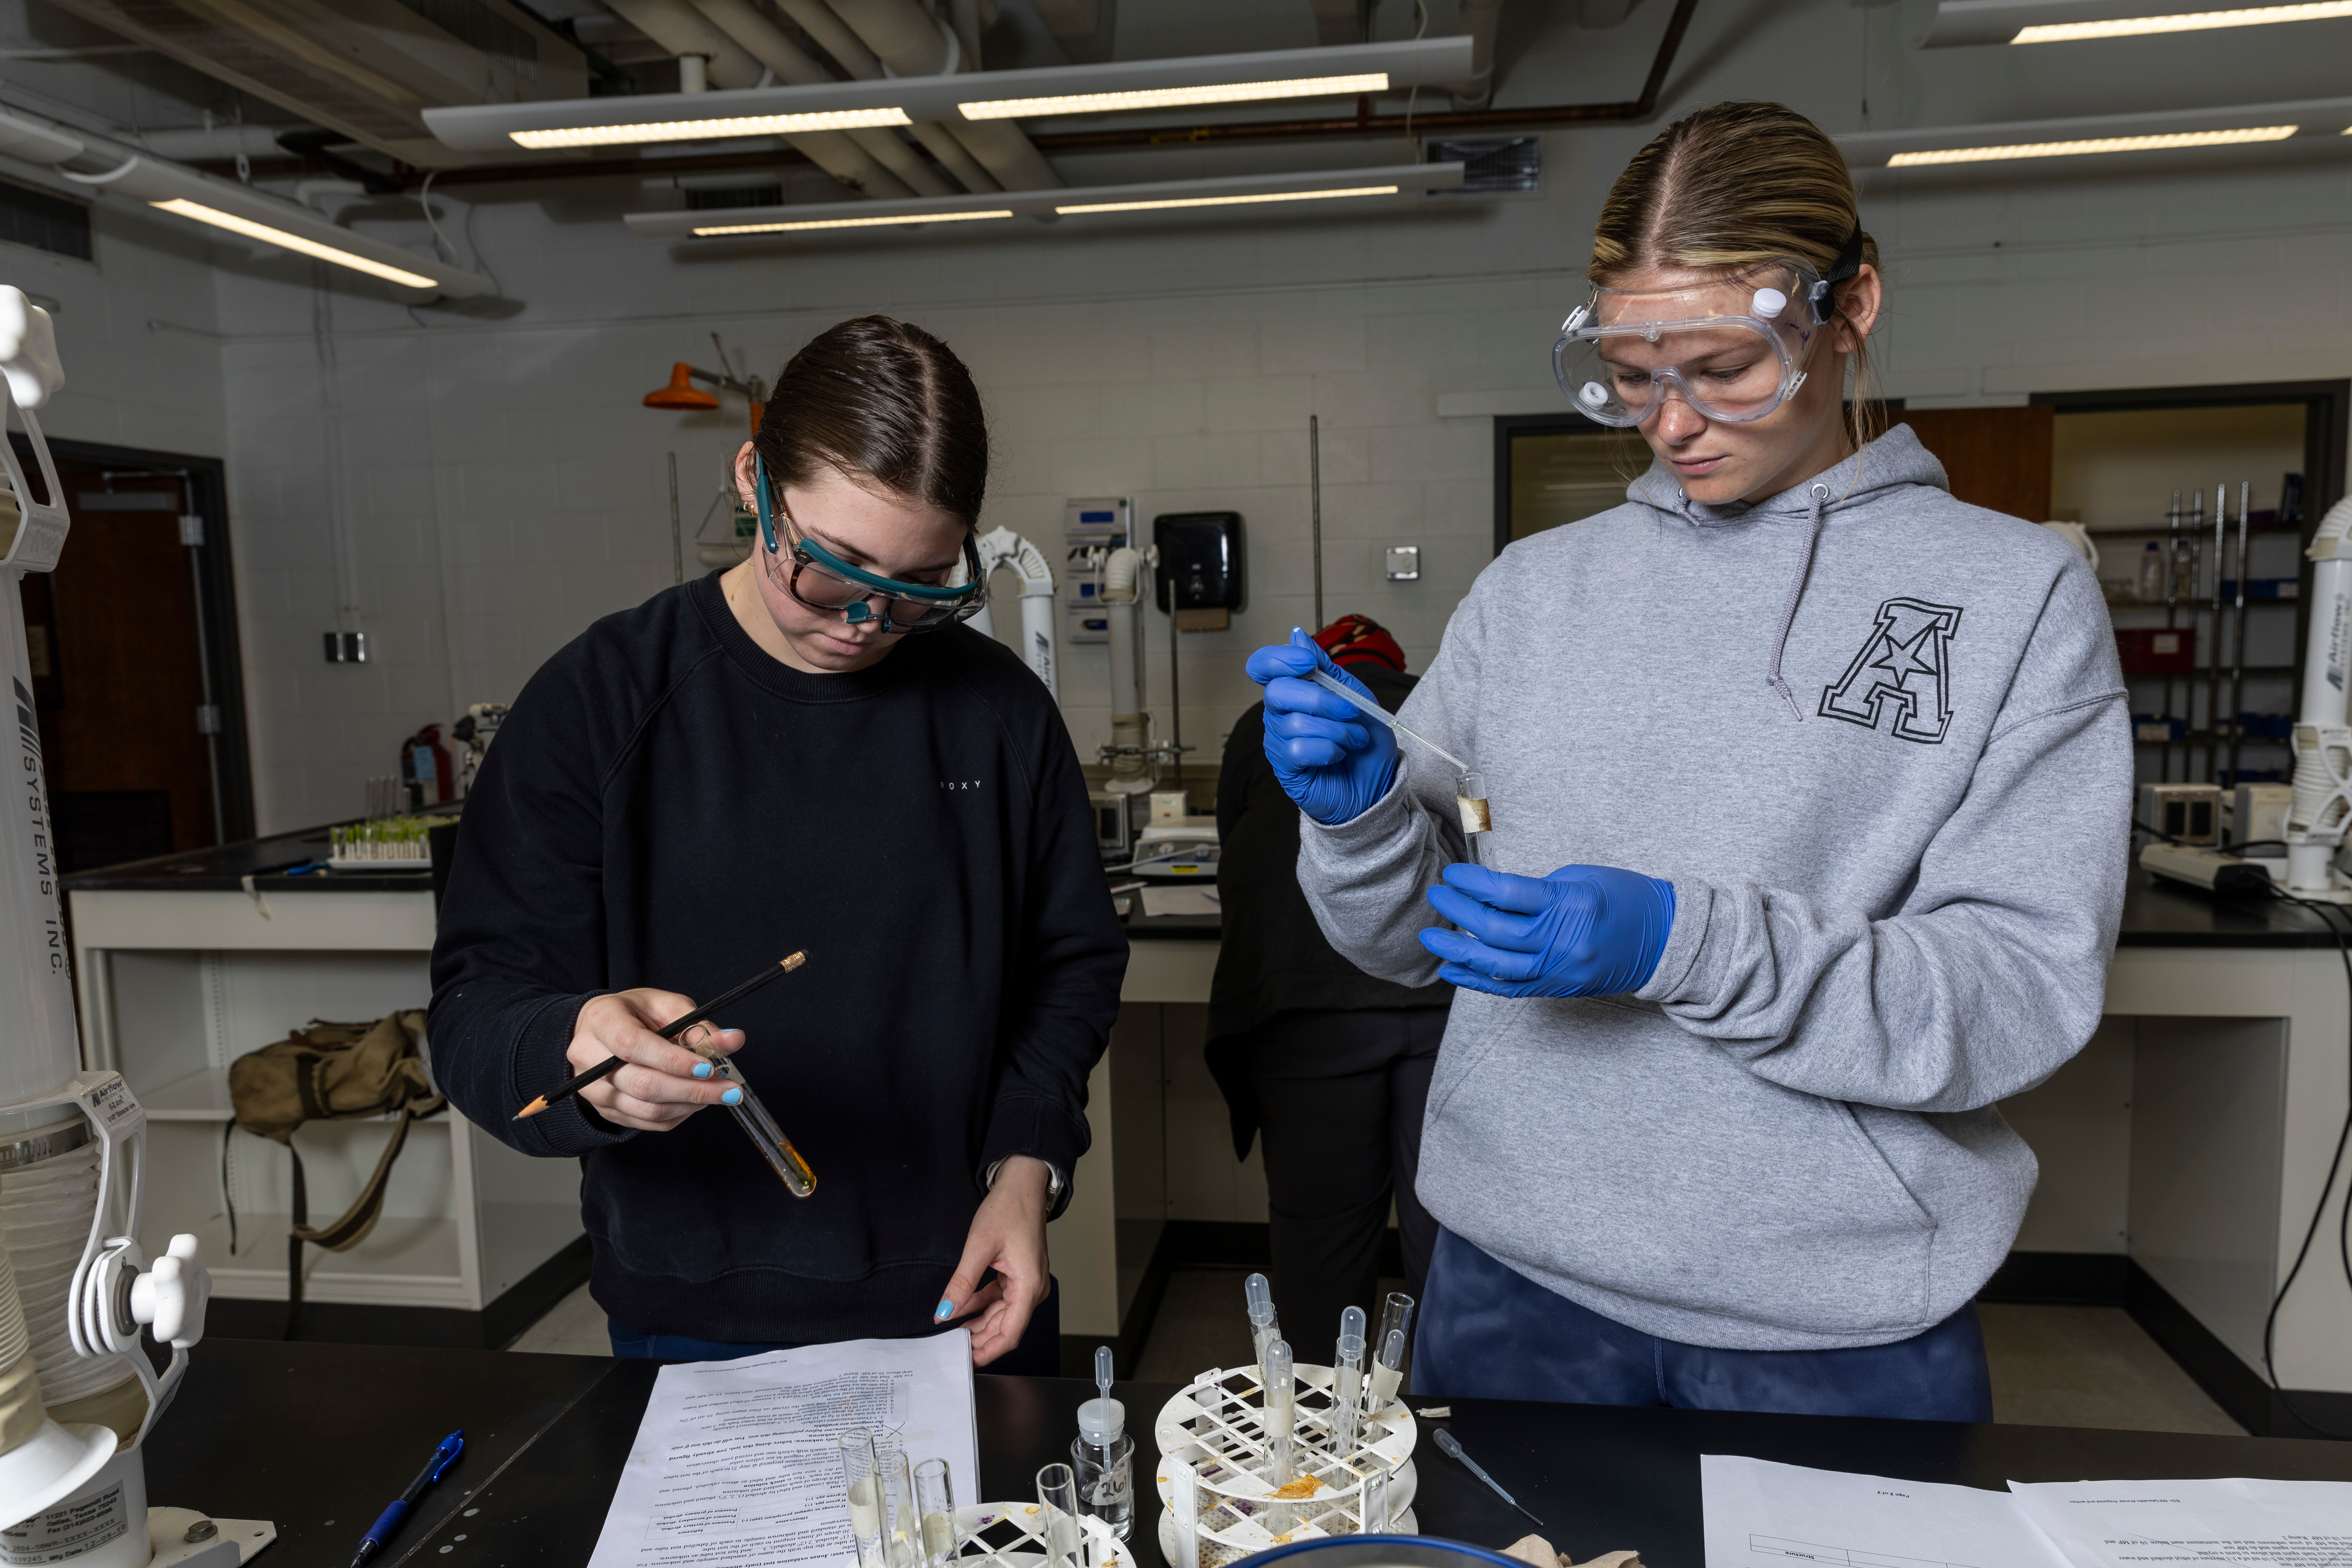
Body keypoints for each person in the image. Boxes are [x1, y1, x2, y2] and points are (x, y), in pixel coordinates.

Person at [1244, 101, 2131, 1421]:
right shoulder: (1535, 592)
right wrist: (1365, 816)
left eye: (1725, 367)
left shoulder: (2013, 599)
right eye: (1633, 374)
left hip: (1837, 1317)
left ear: (1852, 308)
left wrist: (1683, 945)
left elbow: (2015, 996)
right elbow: (1407, 946)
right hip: (1510, 1283)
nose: (1671, 423)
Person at [429, 315, 1127, 1370]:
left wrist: (1030, 1164)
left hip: (964, 1289)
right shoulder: (603, 700)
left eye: (921, 589)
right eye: (834, 568)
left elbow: (1068, 964)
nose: (865, 622)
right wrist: (584, 1052)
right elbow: (476, 1011)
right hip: (697, 1315)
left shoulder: (996, 712)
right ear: (754, 477)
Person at [1205, 614, 1452, 1365]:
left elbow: (1233, 845)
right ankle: (1456, 1427)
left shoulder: (1265, 720)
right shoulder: (1435, 710)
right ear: (1395, 669)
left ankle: (1313, 1437)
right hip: (1443, 993)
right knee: (1447, 1236)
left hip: (1305, 1005)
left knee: (1321, 1241)